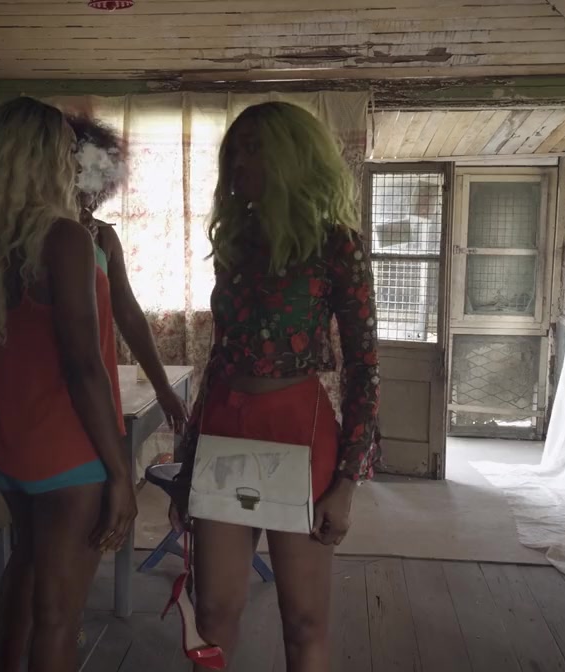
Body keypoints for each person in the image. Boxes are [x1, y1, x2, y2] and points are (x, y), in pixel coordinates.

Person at [0, 113, 186, 666]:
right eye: (68, 150)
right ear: (42, 158)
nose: (77, 161)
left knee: (26, 564)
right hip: (64, 448)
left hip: (10, 442)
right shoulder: (64, 237)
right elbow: (83, 366)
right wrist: (120, 470)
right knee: (59, 617)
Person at [173, 102, 381, 671]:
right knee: (213, 613)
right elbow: (219, 356)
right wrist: (187, 466)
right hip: (226, 425)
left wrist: (348, 482)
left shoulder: (338, 245)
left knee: (304, 620)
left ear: (292, 158)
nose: (238, 162)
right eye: (234, 150)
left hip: (299, 430)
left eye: (255, 149)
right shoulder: (235, 244)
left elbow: (364, 367)